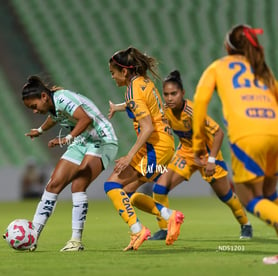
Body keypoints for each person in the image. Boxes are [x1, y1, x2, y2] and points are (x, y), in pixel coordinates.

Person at [192, 24, 278, 245]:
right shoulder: (262, 69)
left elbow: (200, 103)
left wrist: (198, 145)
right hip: (275, 133)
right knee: (269, 194)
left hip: (247, 136)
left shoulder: (217, 67)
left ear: (228, 47)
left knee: (248, 197)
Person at [144, 70, 252, 241]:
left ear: (182, 93)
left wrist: (211, 161)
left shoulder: (194, 112)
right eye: (166, 94)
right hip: (186, 153)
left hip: (206, 155)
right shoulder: (165, 110)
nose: (170, 98)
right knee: (159, 188)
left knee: (226, 196)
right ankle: (164, 229)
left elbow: (218, 133)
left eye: (174, 94)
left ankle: (246, 225)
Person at [22, 75, 119, 251]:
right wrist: (40, 130)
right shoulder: (53, 105)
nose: (34, 111)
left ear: (44, 96)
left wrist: (66, 139)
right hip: (82, 141)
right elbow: (55, 117)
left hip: (102, 140)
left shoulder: (63, 98)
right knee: (53, 185)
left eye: (34, 106)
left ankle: (76, 240)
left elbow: (85, 119)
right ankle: (33, 235)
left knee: (78, 185)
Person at [105, 46, 184, 251]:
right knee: (127, 194)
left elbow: (147, 127)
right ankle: (169, 216)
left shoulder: (132, 90)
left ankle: (138, 230)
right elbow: (139, 104)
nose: (112, 77)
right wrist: (118, 107)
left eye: (113, 73)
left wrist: (129, 156)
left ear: (124, 71)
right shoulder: (144, 83)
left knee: (112, 185)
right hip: (165, 144)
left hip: (154, 146)